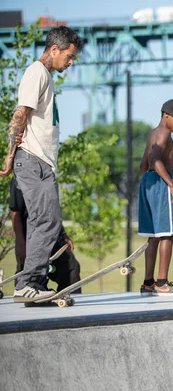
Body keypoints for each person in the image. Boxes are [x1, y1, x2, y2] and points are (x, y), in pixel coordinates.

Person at [0, 25, 84, 303]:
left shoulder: (45, 76)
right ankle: (28, 282)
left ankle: (31, 282)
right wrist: (10, 155)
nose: (70, 63)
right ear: (54, 50)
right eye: (69, 57)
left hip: (42, 162)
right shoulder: (36, 72)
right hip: (32, 159)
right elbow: (20, 114)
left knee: (45, 221)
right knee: (46, 220)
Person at [138, 99, 173, 296]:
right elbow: (154, 160)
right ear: (166, 115)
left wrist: (147, 186)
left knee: (153, 236)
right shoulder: (164, 133)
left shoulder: (153, 133)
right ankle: (162, 282)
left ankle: (148, 283)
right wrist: (171, 184)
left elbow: (144, 164)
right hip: (161, 184)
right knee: (167, 235)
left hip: (148, 182)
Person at [9, 177, 81, 293]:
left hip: (52, 236)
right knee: (28, 273)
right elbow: (15, 213)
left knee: (71, 267)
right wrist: (21, 244)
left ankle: (70, 298)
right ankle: (26, 297)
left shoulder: (48, 176)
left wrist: (64, 234)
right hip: (29, 238)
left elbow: (52, 211)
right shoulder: (21, 177)